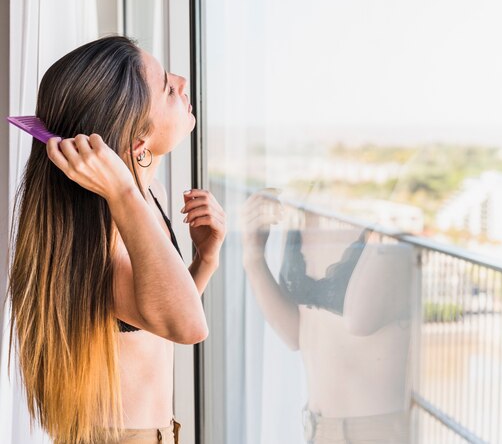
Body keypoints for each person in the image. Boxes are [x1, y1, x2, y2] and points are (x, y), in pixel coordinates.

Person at [6, 36, 226, 444]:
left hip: (158, 432)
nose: (181, 82)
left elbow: (154, 318)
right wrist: (124, 193)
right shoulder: (105, 233)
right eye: (166, 87)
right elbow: (188, 326)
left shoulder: (149, 197)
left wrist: (205, 259)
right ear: (137, 142)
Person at [241, 190, 413, 444]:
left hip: (377, 431)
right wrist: (253, 255)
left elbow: (359, 320)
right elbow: (295, 335)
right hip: (317, 428)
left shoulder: (392, 213)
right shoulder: (308, 205)